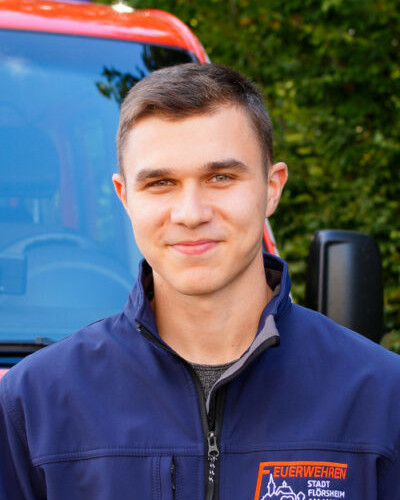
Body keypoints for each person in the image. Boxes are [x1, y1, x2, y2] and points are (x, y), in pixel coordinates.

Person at [0, 63, 399, 500]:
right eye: (160, 183)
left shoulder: (382, 397)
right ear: (125, 197)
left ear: (272, 187)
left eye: (221, 178)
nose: (191, 213)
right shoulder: (33, 404)